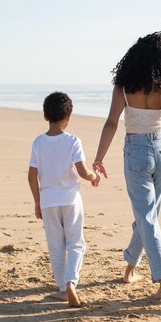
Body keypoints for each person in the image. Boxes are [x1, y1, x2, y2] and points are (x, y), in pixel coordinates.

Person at [92, 32, 161, 300]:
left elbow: (111, 123)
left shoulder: (124, 88)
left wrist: (99, 158)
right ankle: (130, 267)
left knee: (146, 215)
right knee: (147, 215)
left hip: (136, 153)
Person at [27, 91, 100, 307]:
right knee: (76, 243)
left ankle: (62, 289)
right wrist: (94, 177)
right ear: (68, 116)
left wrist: (37, 201)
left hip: (48, 201)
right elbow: (83, 171)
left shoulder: (38, 142)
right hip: (70, 199)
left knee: (56, 245)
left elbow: (32, 175)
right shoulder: (72, 141)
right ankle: (71, 282)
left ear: (45, 116)